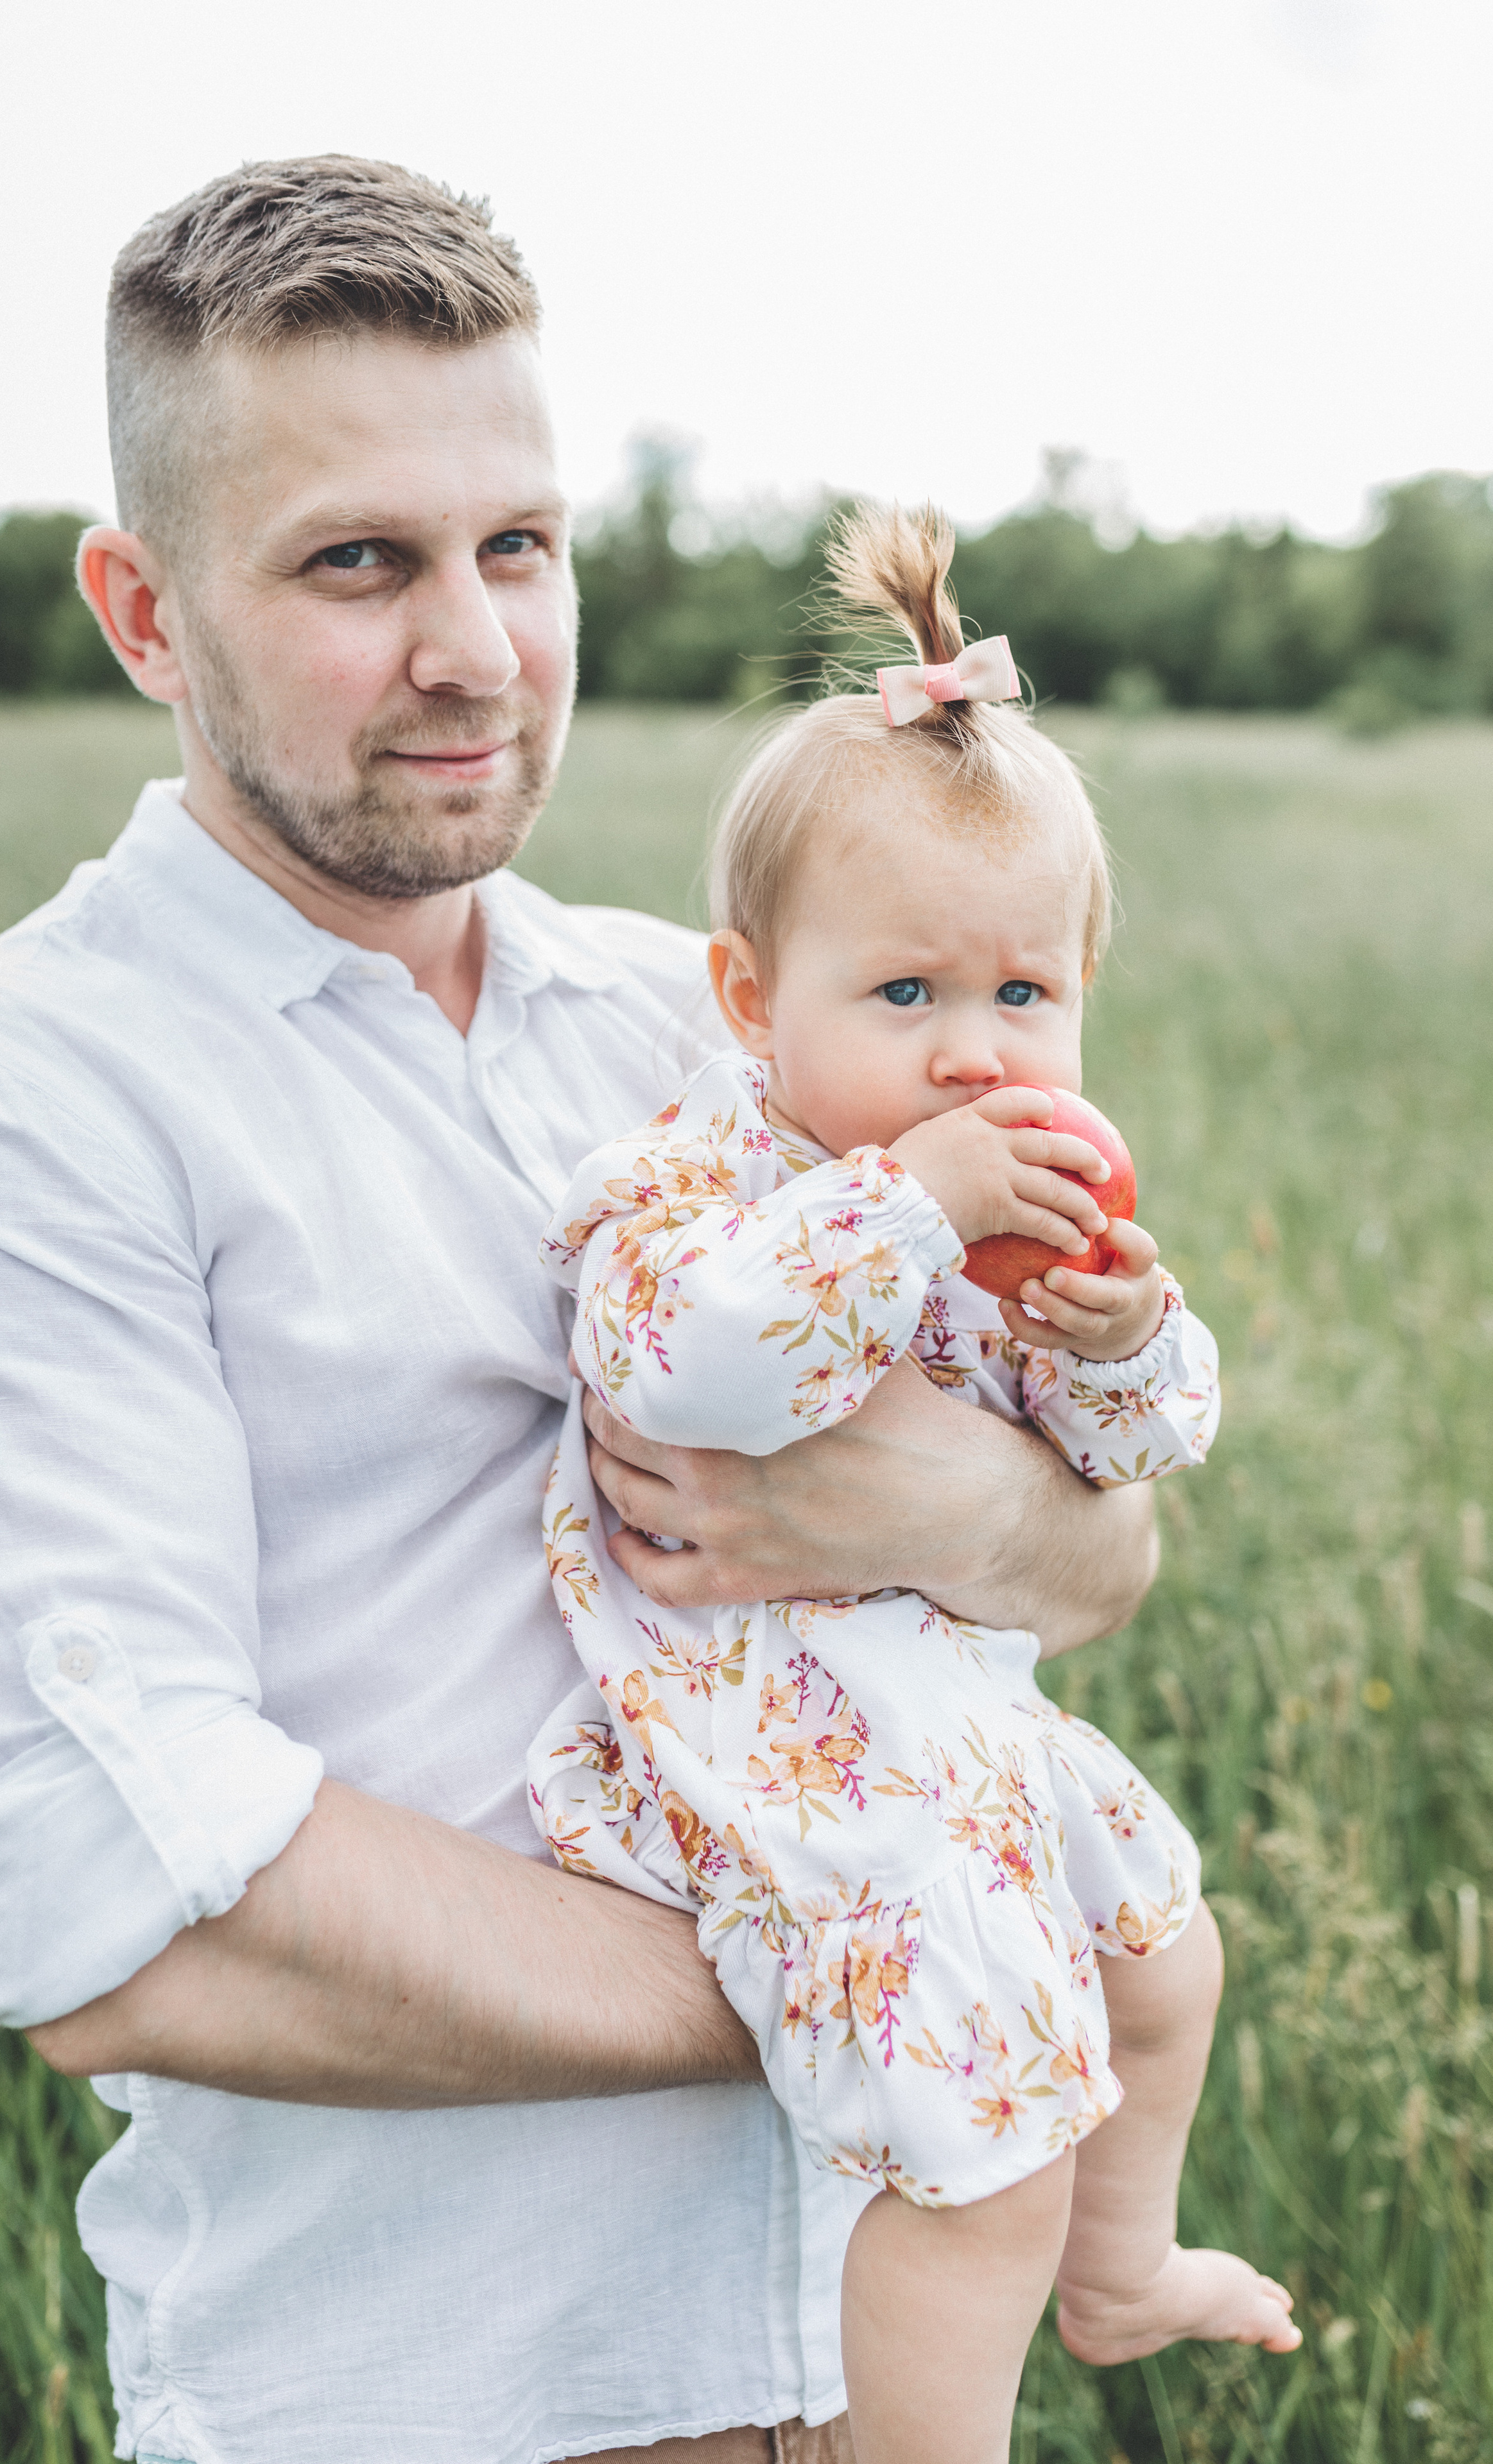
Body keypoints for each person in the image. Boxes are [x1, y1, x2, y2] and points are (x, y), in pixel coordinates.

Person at [0, 159, 1164, 2464]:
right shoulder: (2, 1116)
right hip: (443, 2407)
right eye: (360, 560)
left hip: (871, 2372)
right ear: (144, 613)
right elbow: (139, 1909)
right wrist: (885, 1955)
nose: (472, 645)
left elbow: (1103, 1549)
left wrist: (947, 1496)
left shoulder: (723, 1023)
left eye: (518, 547)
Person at [526, 504, 1299, 2462]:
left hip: (944, 1721)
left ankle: (1121, 2279)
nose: (975, 1061)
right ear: (748, 993)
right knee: (984, 2159)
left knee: (1166, 1959)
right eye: (905, 1000)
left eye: (1023, 999)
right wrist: (911, 1209)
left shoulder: (1011, 1208)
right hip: (774, 1743)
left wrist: (1123, 1345)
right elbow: (698, 1367)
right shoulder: (703, 1189)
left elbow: (1130, 1458)